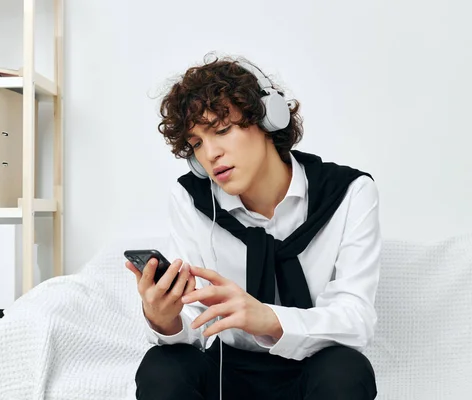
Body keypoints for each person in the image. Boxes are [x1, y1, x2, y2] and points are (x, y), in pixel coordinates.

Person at [125, 54, 381, 400]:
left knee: (347, 370)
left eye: (222, 130)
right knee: (161, 366)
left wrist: (268, 318)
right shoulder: (192, 199)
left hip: (311, 366)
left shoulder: (349, 192)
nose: (210, 154)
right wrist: (163, 318)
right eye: (197, 143)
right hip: (227, 372)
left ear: (268, 120)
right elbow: (195, 318)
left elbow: (355, 318)